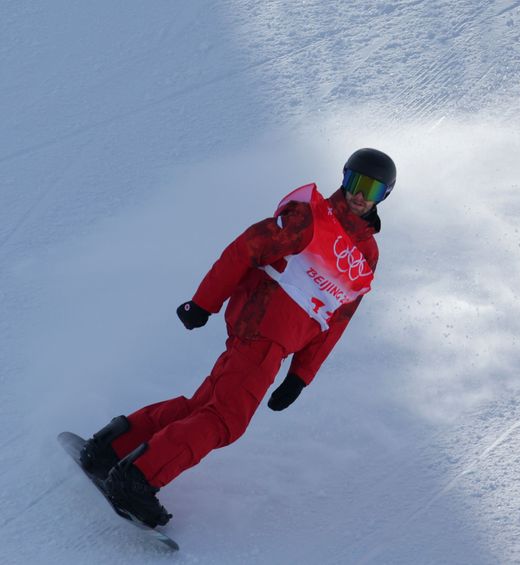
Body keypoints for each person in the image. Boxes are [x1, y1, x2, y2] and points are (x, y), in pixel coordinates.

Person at [78, 148, 396, 528]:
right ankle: (137, 480)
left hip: (279, 343)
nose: (360, 195)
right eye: (356, 182)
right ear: (344, 179)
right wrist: (203, 302)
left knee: (206, 405)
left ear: (384, 197)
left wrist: (300, 376)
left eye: (372, 190)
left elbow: (337, 317)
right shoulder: (310, 217)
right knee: (226, 419)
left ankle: (111, 447)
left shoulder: (367, 255)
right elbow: (246, 248)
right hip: (261, 325)